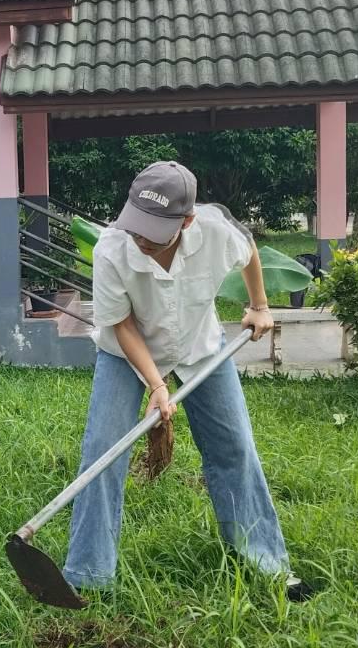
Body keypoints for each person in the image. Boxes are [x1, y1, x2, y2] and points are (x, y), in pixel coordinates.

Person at [64, 160, 309, 601]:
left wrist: (259, 305)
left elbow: (249, 247)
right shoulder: (112, 250)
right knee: (103, 450)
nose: (141, 240)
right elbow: (121, 325)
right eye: (137, 226)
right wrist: (157, 386)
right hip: (126, 351)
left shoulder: (214, 229)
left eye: (153, 232)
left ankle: (267, 564)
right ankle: (88, 575)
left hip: (200, 345)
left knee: (235, 448)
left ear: (187, 221)